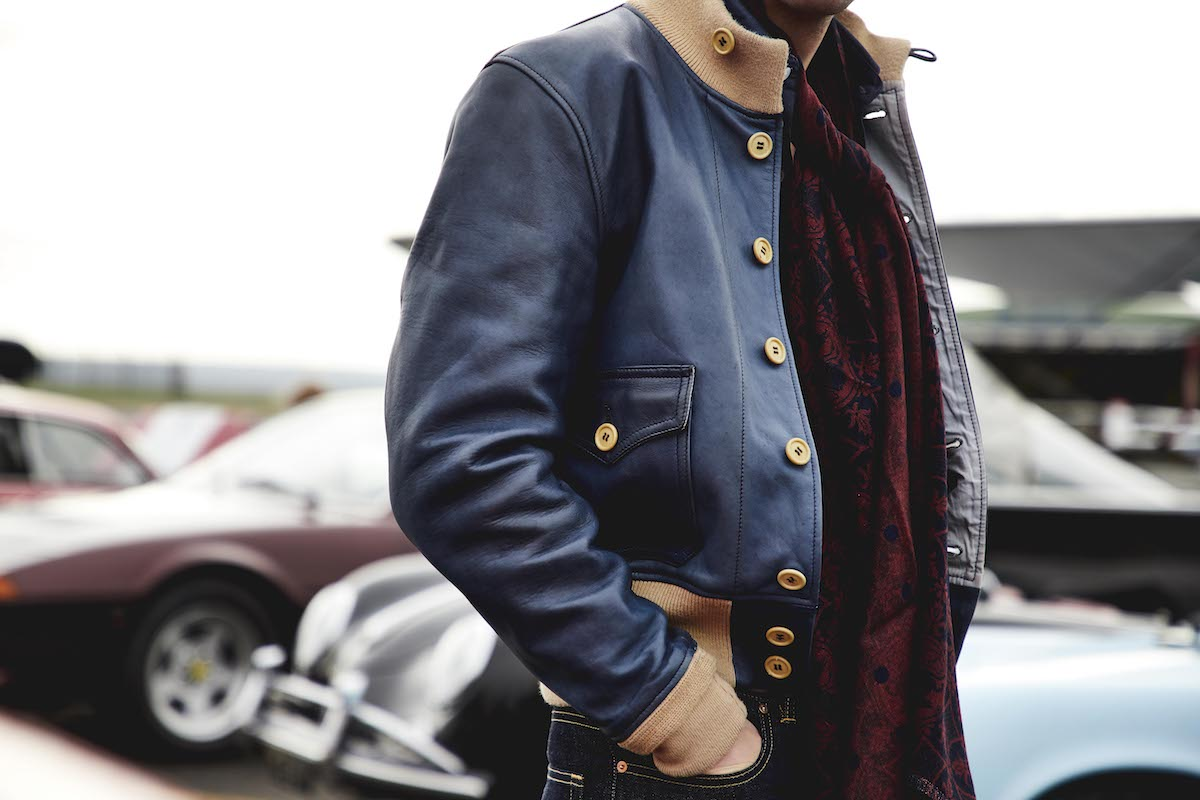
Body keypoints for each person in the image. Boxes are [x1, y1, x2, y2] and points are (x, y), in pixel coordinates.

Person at [384, 0, 987, 798]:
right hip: (687, 757)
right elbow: (461, 458)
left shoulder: (852, 116)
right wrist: (684, 717)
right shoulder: (572, 88)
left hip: (865, 732)